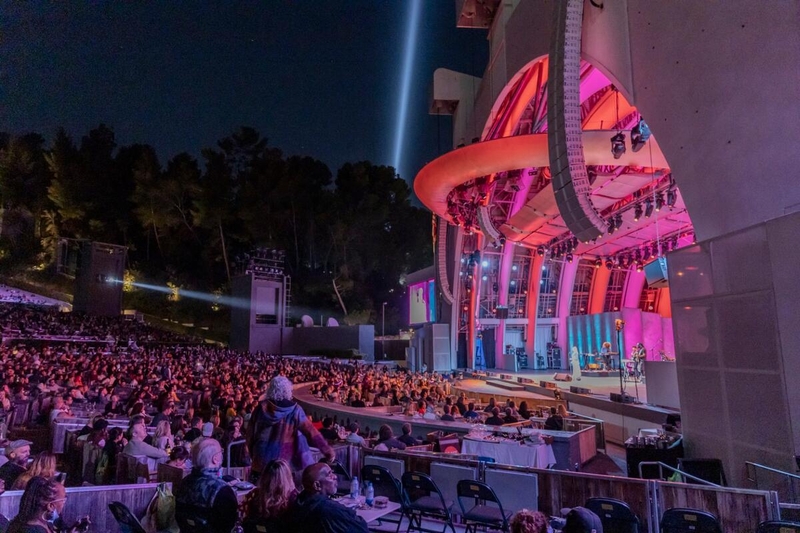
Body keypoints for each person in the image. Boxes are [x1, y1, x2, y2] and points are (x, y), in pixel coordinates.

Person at [247, 376, 334, 480]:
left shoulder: (260, 409)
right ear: (288, 390)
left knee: (261, 492)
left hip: (260, 461)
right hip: (284, 463)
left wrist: (254, 455)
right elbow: (311, 433)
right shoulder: (294, 410)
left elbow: (250, 435)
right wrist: (328, 451)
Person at [175, 438, 238, 533]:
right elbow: (229, 526)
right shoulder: (222, 490)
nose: (222, 454)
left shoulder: (184, 482)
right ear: (215, 459)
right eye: (221, 451)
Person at [287, 462, 369, 533]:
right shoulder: (330, 510)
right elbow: (361, 528)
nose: (335, 477)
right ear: (317, 485)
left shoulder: (297, 503)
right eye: (329, 474)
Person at [6, 476, 87, 533]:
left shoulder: (43, 524)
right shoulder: (31, 530)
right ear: (51, 506)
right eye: (63, 499)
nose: (64, 504)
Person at [243, 459, 298, 531]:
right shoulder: (295, 499)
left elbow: (249, 523)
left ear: (265, 478)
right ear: (288, 477)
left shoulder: (255, 497)